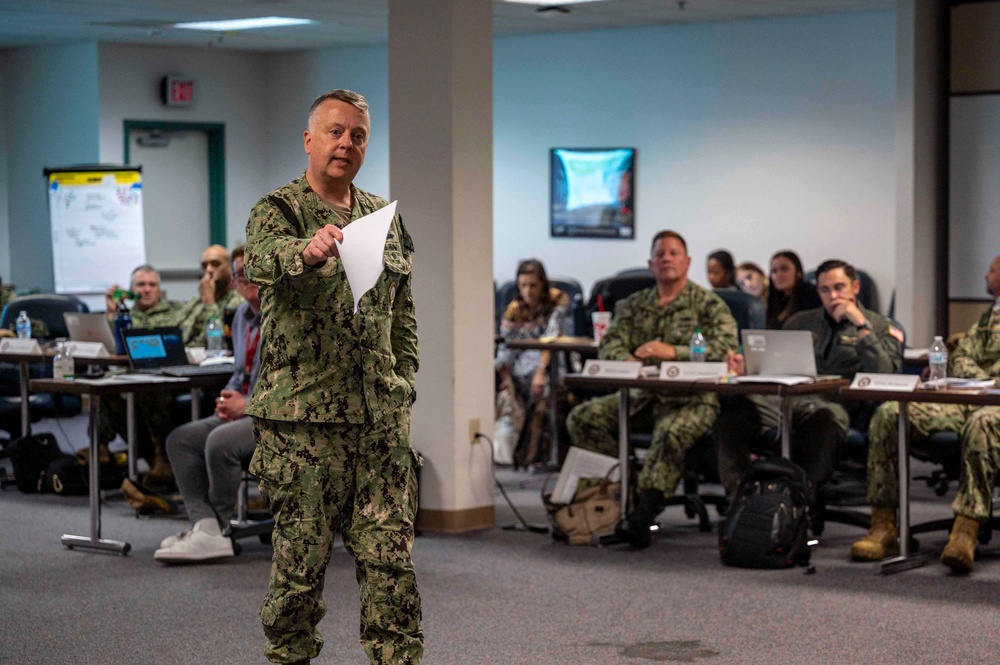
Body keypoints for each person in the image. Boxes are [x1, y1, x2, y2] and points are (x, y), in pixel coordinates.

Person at [244, 89, 422, 665]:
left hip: (379, 424)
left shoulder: (382, 217)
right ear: (309, 140)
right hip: (304, 426)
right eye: (335, 132)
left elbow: (403, 314)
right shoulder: (280, 210)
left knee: (391, 565)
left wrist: (406, 380)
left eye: (359, 135)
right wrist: (308, 250)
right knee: (301, 568)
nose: (346, 143)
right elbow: (261, 261)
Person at [565, 230, 738, 549]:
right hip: (642, 395)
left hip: (692, 399)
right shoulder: (633, 305)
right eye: (660, 254)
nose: (667, 259)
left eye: (674, 253)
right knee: (582, 418)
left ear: (687, 262)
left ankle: (643, 514)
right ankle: (620, 487)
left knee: (670, 433)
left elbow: (725, 347)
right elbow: (610, 344)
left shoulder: (707, 304)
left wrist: (675, 352)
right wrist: (627, 359)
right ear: (650, 263)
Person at [852, 254, 1000, 573]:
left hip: (993, 410)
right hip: (971, 397)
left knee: (983, 422)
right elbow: (960, 357)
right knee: (891, 413)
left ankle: (966, 530)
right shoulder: (990, 316)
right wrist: (980, 377)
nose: (986, 275)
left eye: (992, 270)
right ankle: (884, 526)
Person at [717, 259, 903, 506]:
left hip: (834, 404)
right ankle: (740, 501)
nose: (833, 296)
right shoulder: (800, 322)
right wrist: (750, 367)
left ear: (855, 287)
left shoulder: (881, 326)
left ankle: (802, 501)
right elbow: (776, 364)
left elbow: (885, 375)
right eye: (825, 290)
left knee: (825, 419)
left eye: (840, 287)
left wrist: (861, 325)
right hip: (785, 400)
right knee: (731, 419)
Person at [150, 245, 262, 563]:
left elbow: (292, 386)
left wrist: (248, 405)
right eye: (240, 273)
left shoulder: (282, 317)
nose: (245, 278)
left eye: (249, 270)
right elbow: (239, 373)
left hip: (271, 415)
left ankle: (220, 528)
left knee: (219, 441)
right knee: (180, 439)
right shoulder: (241, 316)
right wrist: (227, 399)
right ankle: (205, 524)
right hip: (242, 407)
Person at [495, 259, 570, 467]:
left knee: (545, 390)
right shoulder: (514, 310)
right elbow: (506, 350)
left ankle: (540, 453)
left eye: (533, 285)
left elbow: (552, 338)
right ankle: (527, 452)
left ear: (543, 284)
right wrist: (506, 379)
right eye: (523, 286)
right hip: (522, 365)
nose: (528, 291)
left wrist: (540, 371)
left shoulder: (558, 300)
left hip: (552, 359)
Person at [174, 244, 245, 346]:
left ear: (230, 268)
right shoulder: (195, 302)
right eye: (204, 266)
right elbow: (175, 336)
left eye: (215, 264)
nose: (209, 270)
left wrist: (209, 303)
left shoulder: (239, 301)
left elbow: (223, 344)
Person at [765, 250, 821, 329]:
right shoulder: (774, 300)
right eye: (774, 271)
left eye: (784, 269)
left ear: (798, 272)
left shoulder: (810, 294)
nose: (779, 275)